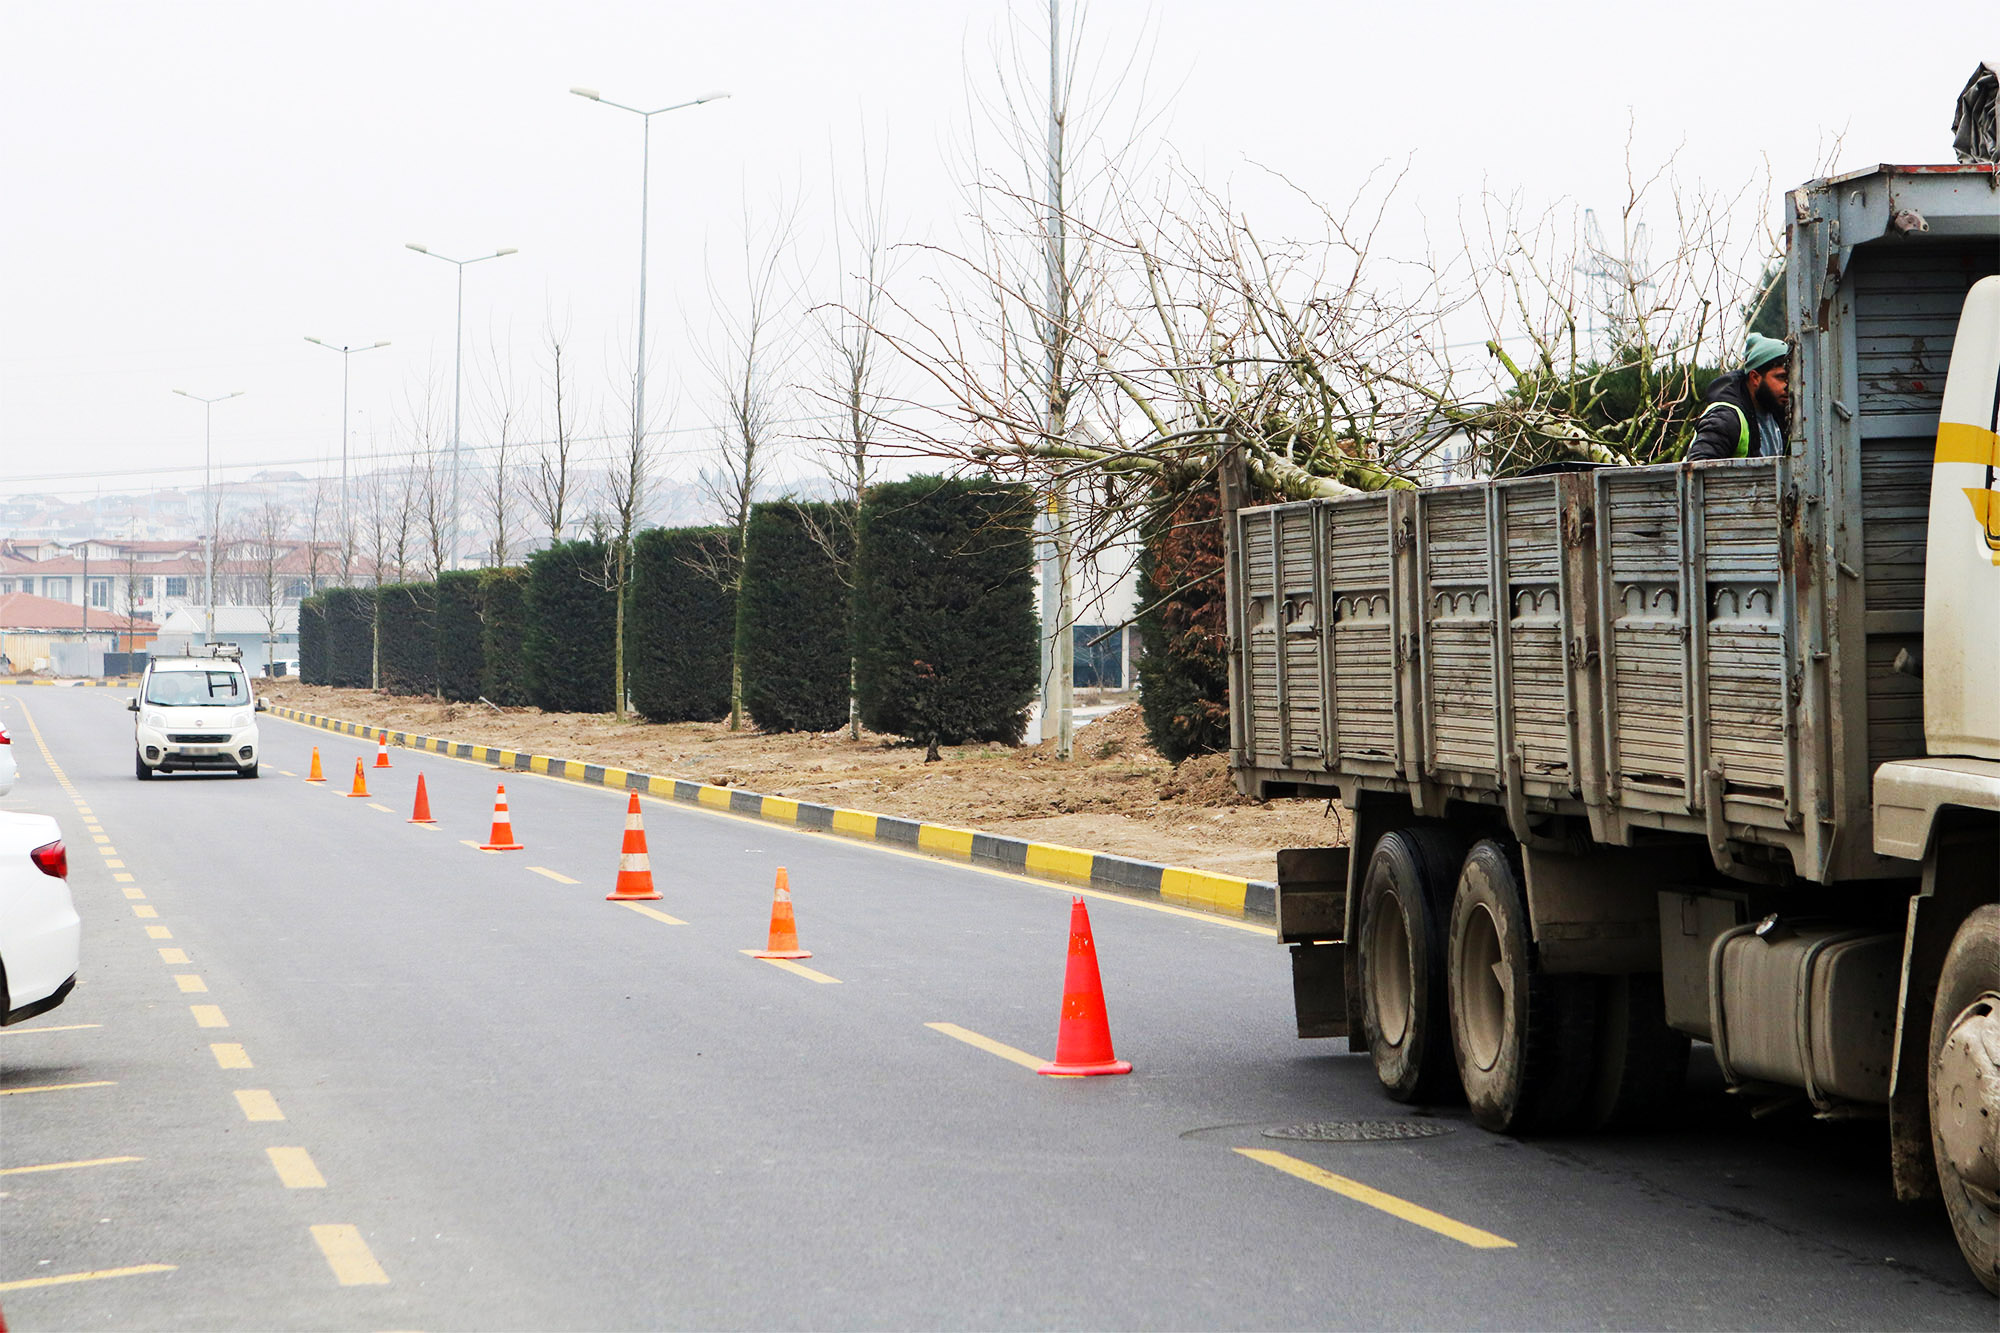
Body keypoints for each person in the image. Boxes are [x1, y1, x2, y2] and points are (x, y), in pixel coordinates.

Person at [1685, 333, 1789, 461]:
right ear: (1755, 377)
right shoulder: (1726, 418)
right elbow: (1697, 471)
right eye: (1781, 377)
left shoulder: (1779, 412)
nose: (1788, 386)